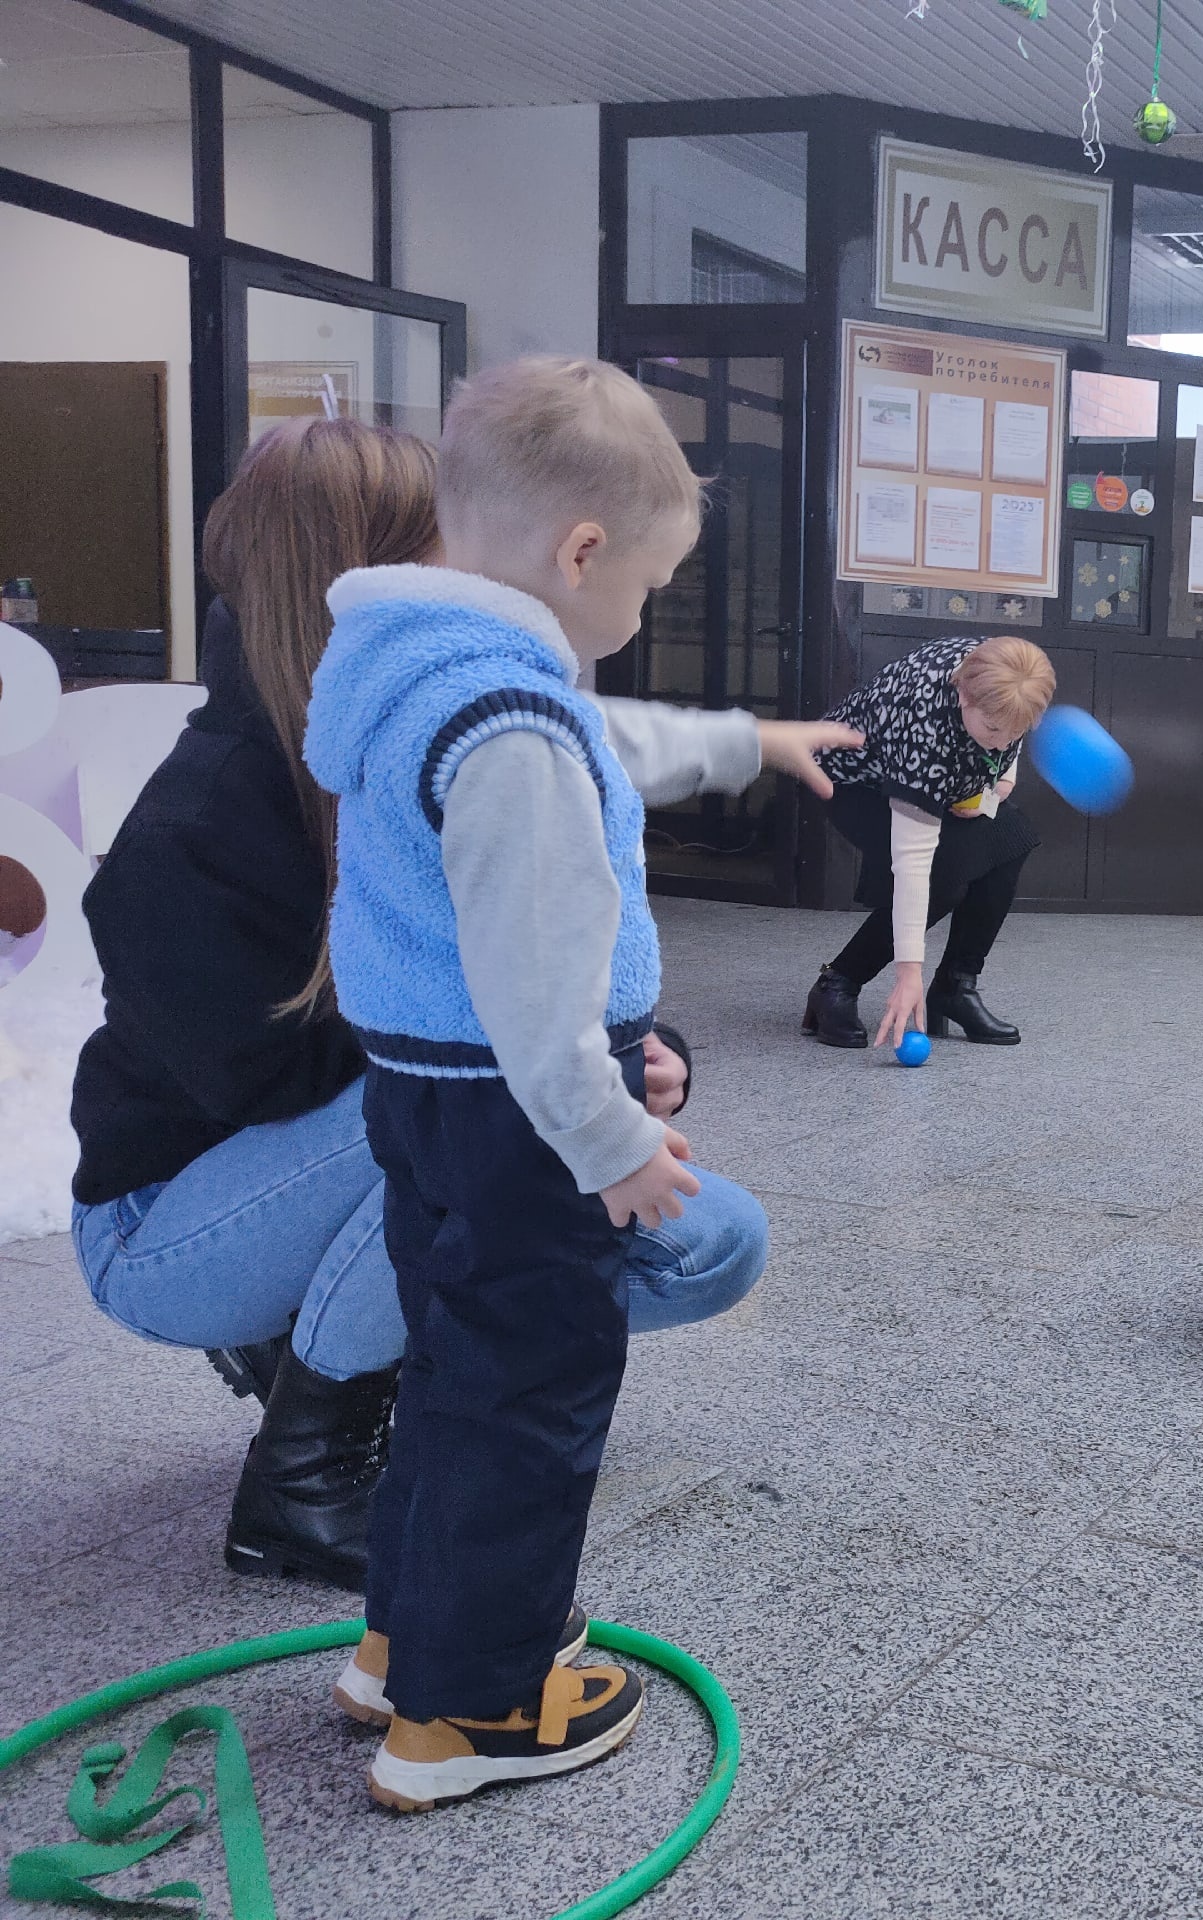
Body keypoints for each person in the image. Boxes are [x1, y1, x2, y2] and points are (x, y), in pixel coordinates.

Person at [68, 417, 772, 1597]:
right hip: (169, 1223)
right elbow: (280, 1082)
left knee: (710, 1242)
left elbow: (546, 958)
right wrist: (546, 1072)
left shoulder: (437, 742)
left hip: (357, 1152)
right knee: (465, 1102)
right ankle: (302, 1481)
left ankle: (357, 1359)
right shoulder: (194, 828)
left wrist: (635, 1057)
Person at [299, 357, 855, 1809]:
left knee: (452, 1372)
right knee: (533, 1394)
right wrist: (607, 1138)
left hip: (424, 1095)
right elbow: (539, 989)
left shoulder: (425, 667)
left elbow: (616, 744)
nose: (648, 612)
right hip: (519, 1108)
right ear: (581, 554)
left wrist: (750, 743)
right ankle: (470, 1716)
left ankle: (398, 1648)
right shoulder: (514, 727)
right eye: (655, 586)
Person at [801, 634, 1054, 1053]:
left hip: (945, 774)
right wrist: (908, 974)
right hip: (851, 782)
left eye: (1017, 731)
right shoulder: (923, 721)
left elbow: (1008, 730)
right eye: (993, 729)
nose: (1003, 741)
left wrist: (1000, 785)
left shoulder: (1011, 674)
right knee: (943, 873)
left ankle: (955, 986)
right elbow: (913, 862)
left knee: (1011, 839)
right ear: (963, 696)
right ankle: (837, 982)